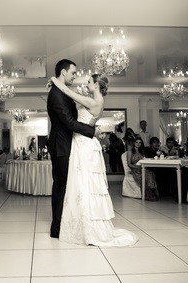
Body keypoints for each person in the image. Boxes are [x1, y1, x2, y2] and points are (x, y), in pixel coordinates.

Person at [49, 71, 138, 247]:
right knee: (81, 183)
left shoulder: (93, 101)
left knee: (83, 183)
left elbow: (69, 93)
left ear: (97, 85)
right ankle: (80, 220)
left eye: (89, 81)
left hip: (84, 144)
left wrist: (53, 80)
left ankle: (86, 224)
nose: (86, 83)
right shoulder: (95, 100)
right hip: (82, 142)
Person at [46, 59, 97, 239]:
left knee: (65, 186)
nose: (75, 76)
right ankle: (56, 228)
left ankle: (63, 224)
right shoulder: (56, 95)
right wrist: (92, 131)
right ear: (63, 72)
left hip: (66, 144)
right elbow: (68, 122)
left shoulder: (61, 91)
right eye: (73, 72)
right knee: (61, 186)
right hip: (61, 146)